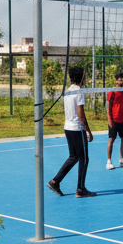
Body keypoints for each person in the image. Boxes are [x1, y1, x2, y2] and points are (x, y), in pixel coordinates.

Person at [48, 66, 96, 198]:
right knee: (84, 159)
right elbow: (80, 112)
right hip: (76, 128)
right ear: (81, 77)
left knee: (74, 157)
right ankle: (80, 189)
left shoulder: (68, 90)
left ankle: (55, 181)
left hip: (68, 127)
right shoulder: (79, 91)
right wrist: (88, 130)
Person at [105, 70, 123, 169]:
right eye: (119, 80)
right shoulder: (111, 92)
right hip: (114, 119)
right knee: (111, 139)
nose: (121, 81)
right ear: (116, 81)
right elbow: (109, 107)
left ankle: (122, 161)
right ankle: (109, 162)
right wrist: (109, 119)